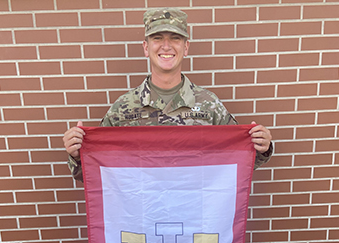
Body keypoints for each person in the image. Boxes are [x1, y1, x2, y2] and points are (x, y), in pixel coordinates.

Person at [63, 8, 273, 182]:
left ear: (186, 47)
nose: (166, 46)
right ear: (146, 48)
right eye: (157, 38)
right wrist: (78, 155)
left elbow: (237, 161)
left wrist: (261, 147)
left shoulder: (209, 105)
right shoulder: (123, 108)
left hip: (194, 215)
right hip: (142, 217)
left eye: (175, 38)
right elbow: (98, 172)